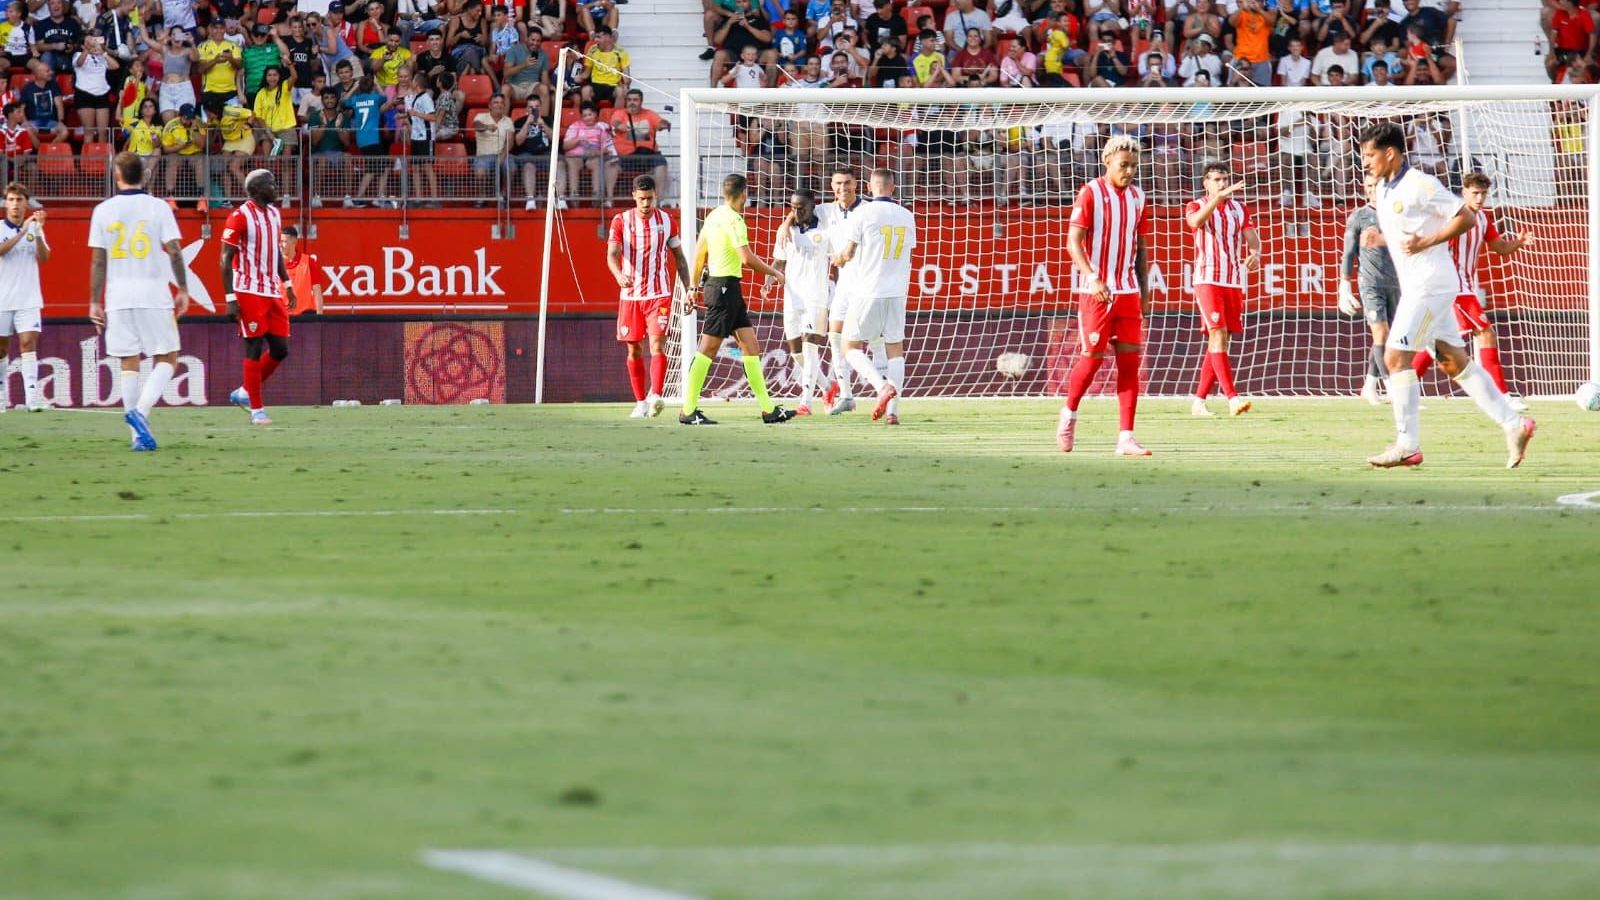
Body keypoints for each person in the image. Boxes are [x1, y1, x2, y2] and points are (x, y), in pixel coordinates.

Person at [1357, 122, 1535, 469]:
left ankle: (1408, 445)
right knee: (1454, 361)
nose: (1366, 162)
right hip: (1421, 284)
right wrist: (1382, 240)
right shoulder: (1383, 189)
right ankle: (1515, 425)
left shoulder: (1421, 184)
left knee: (1396, 359)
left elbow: (1466, 217)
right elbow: (1406, 232)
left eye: (1370, 155)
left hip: (1431, 284)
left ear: (1389, 153)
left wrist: (1425, 242)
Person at [87, 153, 190, 451]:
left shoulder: (103, 210)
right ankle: (140, 414)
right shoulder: (158, 207)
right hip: (153, 294)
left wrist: (95, 300)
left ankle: (136, 438)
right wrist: (183, 287)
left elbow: (98, 260)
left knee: (128, 361)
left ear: (116, 175)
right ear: (143, 175)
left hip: (117, 296)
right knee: (169, 358)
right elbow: (174, 250)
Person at [1057, 134, 1152, 456]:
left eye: (1134, 167)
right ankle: (1069, 414)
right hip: (1096, 291)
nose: (1129, 171)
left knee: (1129, 363)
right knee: (1093, 358)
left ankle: (1126, 436)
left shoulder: (1139, 198)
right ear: (1107, 161)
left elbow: (1140, 248)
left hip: (1127, 292)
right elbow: (1073, 242)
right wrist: (1093, 278)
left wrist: (1145, 291)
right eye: (1124, 165)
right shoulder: (1091, 193)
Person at [1409, 172, 1535, 409]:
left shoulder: (1484, 219)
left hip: (1464, 287)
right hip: (1454, 287)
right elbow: (1434, 239)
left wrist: (1518, 243)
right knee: (1485, 333)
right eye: (1475, 193)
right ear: (1464, 192)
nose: (1479, 198)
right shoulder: (1454, 216)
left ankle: (1404, 389)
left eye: (1483, 194)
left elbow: (1500, 248)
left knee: (1436, 341)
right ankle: (1502, 396)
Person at [680, 173, 796, 426]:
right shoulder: (735, 220)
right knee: (708, 349)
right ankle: (688, 410)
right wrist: (775, 272)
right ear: (744, 194)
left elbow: (699, 253)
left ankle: (769, 410)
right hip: (723, 288)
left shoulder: (713, 215)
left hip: (726, 288)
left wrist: (692, 286)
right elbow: (746, 258)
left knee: (750, 347)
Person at [831, 168, 915, 425]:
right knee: (895, 351)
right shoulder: (907, 215)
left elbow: (848, 252)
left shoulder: (863, 213)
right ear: (893, 187)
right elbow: (909, 253)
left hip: (868, 290)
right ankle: (893, 413)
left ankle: (881, 387)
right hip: (897, 291)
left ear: (869, 186)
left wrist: (838, 260)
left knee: (849, 346)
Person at [607, 175, 691, 418]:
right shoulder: (621, 221)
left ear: (656, 196)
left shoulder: (666, 220)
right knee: (633, 350)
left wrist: (689, 289)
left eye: (650, 199)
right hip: (631, 296)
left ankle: (656, 395)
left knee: (657, 345)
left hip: (659, 294)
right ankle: (640, 401)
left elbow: (680, 258)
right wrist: (618, 276)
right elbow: (612, 255)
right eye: (642, 199)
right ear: (634, 196)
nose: (646, 204)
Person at [222, 168, 298, 425]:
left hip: (271, 289)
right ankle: (257, 410)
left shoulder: (275, 215)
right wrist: (230, 297)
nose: (275, 187)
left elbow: (275, 253)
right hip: (247, 289)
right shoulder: (239, 216)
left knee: (280, 348)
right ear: (255, 190)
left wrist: (287, 283)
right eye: (271, 184)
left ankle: (244, 391)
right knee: (253, 345)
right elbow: (225, 259)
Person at [1185, 162, 1260, 417]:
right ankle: (1232, 398)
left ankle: (1199, 402)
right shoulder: (1196, 205)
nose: (1222, 183)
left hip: (1233, 280)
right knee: (1217, 334)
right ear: (1205, 183)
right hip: (1207, 278)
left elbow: (1251, 236)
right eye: (1216, 179)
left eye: (1224, 179)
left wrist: (1255, 253)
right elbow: (1195, 222)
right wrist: (1215, 200)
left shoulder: (1240, 209)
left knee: (1221, 340)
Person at [1341, 172, 1402, 406]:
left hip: (1395, 283)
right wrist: (1344, 285)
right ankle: (1392, 388)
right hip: (1370, 283)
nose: (1370, 189)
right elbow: (1348, 253)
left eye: (1374, 185)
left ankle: (1368, 385)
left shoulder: (1396, 212)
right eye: (1367, 186)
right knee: (1381, 335)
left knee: (1388, 337)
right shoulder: (1359, 216)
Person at [770, 188, 831, 415]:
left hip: (816, 296)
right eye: (793, 208)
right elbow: (779, 261)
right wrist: (769, 279)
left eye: (801, 208)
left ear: (813, 205)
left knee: (810, 345)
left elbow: (837, 257)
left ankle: (806, 401)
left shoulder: (826, 229)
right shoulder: (786, 231)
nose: (796, 212)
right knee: (796, 351)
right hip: (792, 296)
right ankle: (827, 386)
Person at [0, 181, 48, 411]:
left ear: (25, 203)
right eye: (11, 200)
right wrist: (23, 231)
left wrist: (36, 233)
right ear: (5, 204)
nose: (15, 205)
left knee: (28, 344)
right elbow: (1, 250)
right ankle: (1, 396)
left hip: (28, 298)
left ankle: (32, 398)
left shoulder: (34, 228)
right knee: (1, 349)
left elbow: (45, 257)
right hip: (2, 298)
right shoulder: (1, 228)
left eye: (19, 200)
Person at [607, 88, 669, 201]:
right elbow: (615, 123)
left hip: (648, 154)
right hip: (626, 156)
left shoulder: (649, 114)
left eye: (635, 100)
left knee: (662, 163)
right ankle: (609, 199)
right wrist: (619, 126)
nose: (632, 102)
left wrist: (663, 124)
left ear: (641, 101)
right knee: (612, 166)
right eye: (629, 100)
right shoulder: (620, 113)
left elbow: (660, 123)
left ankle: (658, 200)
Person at [281, 224, 324, 315]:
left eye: (284, 241)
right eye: (280, 242)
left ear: (294, 241)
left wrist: (320, 319)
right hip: (282, 317)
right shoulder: (275, 263)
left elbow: (317, 291)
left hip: (305, 317)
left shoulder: (308, 262)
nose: (281, 245)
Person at [19, 64, 67, 142]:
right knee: (26, 130)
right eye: (47, 71)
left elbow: (59, 106)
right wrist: (25, 122)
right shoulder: (27, 88)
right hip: (33, 122)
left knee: (64, 132)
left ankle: (49, 149)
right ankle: (40, 151)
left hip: (52, 122)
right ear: (38, 74)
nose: (51, 72)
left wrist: (60, 121)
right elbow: (22, 109)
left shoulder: (54, 85)